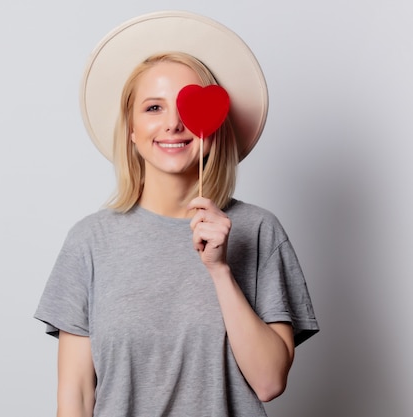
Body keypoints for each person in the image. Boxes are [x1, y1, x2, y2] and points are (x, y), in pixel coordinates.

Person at [35, 11, 319, 417]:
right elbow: (76, 397)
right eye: (153, 108)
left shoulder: (259, 231)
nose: (173, 124)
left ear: (214, 124)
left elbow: (270, 381)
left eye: (187, 106)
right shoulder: (89, 242)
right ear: (131, 129)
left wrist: (220, 269)